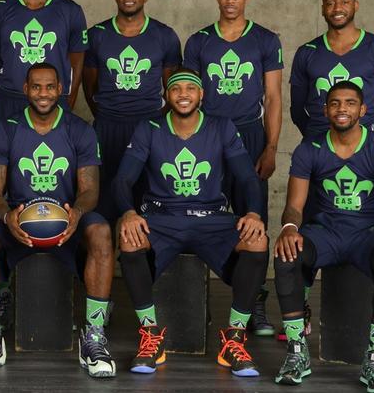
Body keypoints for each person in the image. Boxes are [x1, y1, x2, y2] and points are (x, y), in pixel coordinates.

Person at [0, 63, 116, 378]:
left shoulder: (80, 129)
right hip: (19, 217)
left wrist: (77, 214)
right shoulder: (6, 129)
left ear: (60, 89)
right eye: (36, 87)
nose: (43, 93)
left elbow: (90, 190)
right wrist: (7, 216)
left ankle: (94, 338)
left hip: (67, 217)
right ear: (26, 89)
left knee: (101, 231)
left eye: (50, 87)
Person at [114, 68, 268, 377]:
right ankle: (150, 336)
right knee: (129, 238)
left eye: (190, 88)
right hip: (162, 217)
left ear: (202, 94)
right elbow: (122, 179)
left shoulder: (221, 127)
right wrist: (128, 212)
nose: (183, 94)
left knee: (257, 240)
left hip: (211, 217)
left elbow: (247, 177)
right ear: (166, 95)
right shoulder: (150, 128)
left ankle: (234, 339)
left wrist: (253, 212)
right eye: (176, 89)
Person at [273, 81, 374, 392]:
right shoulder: (309, 149)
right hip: (325, 232)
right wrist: (289, 228)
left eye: (350, 103)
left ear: (363, 110)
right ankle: (297, 351)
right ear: (325, 110)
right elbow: (294, 206)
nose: (342, 109)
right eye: (334, 103)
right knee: (286, 254)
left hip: (368, 234)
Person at [183, 0, 283, 337]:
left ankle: (253, 301)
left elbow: (273, 97)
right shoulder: (199, 41)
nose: (230, 0)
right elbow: (187, 96)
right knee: (197, 215)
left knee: (253, 218)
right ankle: (197, 302)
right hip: (207, 137)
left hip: (250, 134)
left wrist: (270, 147)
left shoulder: (265, 40)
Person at [82, 0, 181, 225]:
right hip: (107, 127)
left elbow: (173, 90)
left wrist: (155, 123)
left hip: (147, 127)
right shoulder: (97, 35)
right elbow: (89, 86)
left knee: (145, 207)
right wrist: (107, 114)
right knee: (102, 207)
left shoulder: (164, 36)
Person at [290, 0, 374, 139]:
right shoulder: (306, 52)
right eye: (330, 3)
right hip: (318, 142)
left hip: (364, 140)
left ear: (355, 5)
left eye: (345, 2)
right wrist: (315, 140)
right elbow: (297, 110)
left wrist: (372, 143)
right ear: (323, 9)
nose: (337, 8)